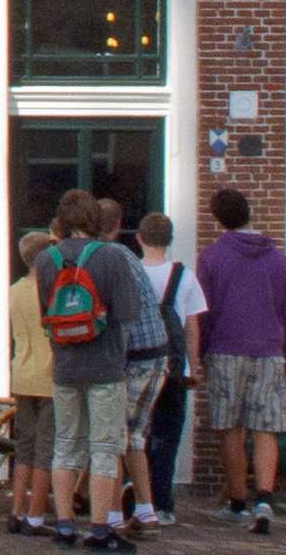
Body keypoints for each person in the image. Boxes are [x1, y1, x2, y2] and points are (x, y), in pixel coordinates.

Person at [34, 187, 147, 552]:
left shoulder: (46, 260)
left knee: (65, 446)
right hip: (105, 366)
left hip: (65, 366)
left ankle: (64, 525)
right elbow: (130, 312)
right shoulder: (112, 256)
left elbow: (45, 317)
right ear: (93, 219)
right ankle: (99, 529)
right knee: (104, 447)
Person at [196, 187, 286, 535]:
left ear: (218, 219)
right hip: (269, 350)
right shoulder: (278, 258)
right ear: (250, 212)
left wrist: (202, 353)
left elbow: (204, 312)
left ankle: (238, 503)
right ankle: (265, 501)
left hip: (225, 349)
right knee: (265, 429)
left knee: (230, 429)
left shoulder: (211, 257)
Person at [98, 199, 171, 536]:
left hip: (134, 358)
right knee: (135, 438)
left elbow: (120, 314)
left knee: (112, 438)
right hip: (157, 355)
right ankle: (146, 512)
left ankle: (112, 517)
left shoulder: (106, 258)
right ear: (119, 224)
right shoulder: (127, 254)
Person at [138, 211, 206, 528]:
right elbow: (192, 327)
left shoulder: (133, 272)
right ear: (170, 241)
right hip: (174, 367)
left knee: (133, 436)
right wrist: (194, 366)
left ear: (139, 238)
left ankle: (136, 501)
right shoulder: (185, 277)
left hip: (138, 364)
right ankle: (163, 505)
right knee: (166, 437)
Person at [11, 230, 58, 536]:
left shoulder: (15, 290)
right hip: (49, 375)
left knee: (23, 446)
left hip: (21, 373)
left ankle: (15, 512)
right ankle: (35, 514)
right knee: (46, 449)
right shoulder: (51, 290)